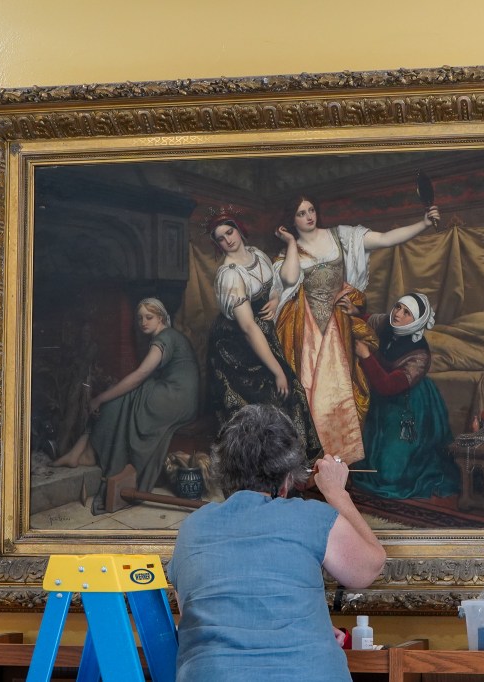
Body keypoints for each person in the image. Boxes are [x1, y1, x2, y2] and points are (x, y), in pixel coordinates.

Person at [168, 403, 385, 681]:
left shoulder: (193, 527)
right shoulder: (309, 517)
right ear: (286, 480)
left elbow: (196, 612)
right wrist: (336, 493)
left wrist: (310, 623)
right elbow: (368, 568)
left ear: (223, 471)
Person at [274, 194, 440, 463]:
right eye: (301, 213)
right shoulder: (288, 253)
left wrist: (422, 224)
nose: (309, 217)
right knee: (307, 393)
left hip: (338, 328)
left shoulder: (342, 237)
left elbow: (386, 239)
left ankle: (336, 459)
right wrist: (292, 243)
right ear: (290, 220)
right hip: (306, 333)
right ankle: (311, 462)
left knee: (337, 396)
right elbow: (290, 279)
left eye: (311, 210)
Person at [52, 297, 200, 512]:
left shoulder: (166, 336)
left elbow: (140, 374)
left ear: (161, 317)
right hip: (183, 399)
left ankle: (84, 453)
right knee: (124, 397)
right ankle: (78, 452)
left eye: (149, 317)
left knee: (120, 398)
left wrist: (101, 398)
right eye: (139, 318)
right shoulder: (170, 336)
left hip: (176, 397)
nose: (143, 322)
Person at [205, 209, 322, 461]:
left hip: (262, 334)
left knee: (291, 391)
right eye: (221, 238)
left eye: (229, 231)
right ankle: (266, 469)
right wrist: (277, 371)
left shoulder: (257, 254)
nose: (228, 240)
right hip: (235, 349)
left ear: (238, 228)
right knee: (270, 399)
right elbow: (248, 327)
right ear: (217, 244)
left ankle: (289, 467)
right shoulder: (230, 275)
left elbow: (275, 287)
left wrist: (276, 297)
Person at [350, 292, 461, 500]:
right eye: (398, 307)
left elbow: (388, 386)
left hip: (407, 406)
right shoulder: (387, 322)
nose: (398, 314)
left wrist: (366, 355)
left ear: (417, 321)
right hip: (380, 401)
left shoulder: (420, 356)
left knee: (390, 475)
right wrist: (356, 312)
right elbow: (369, 319)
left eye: (406, 312)